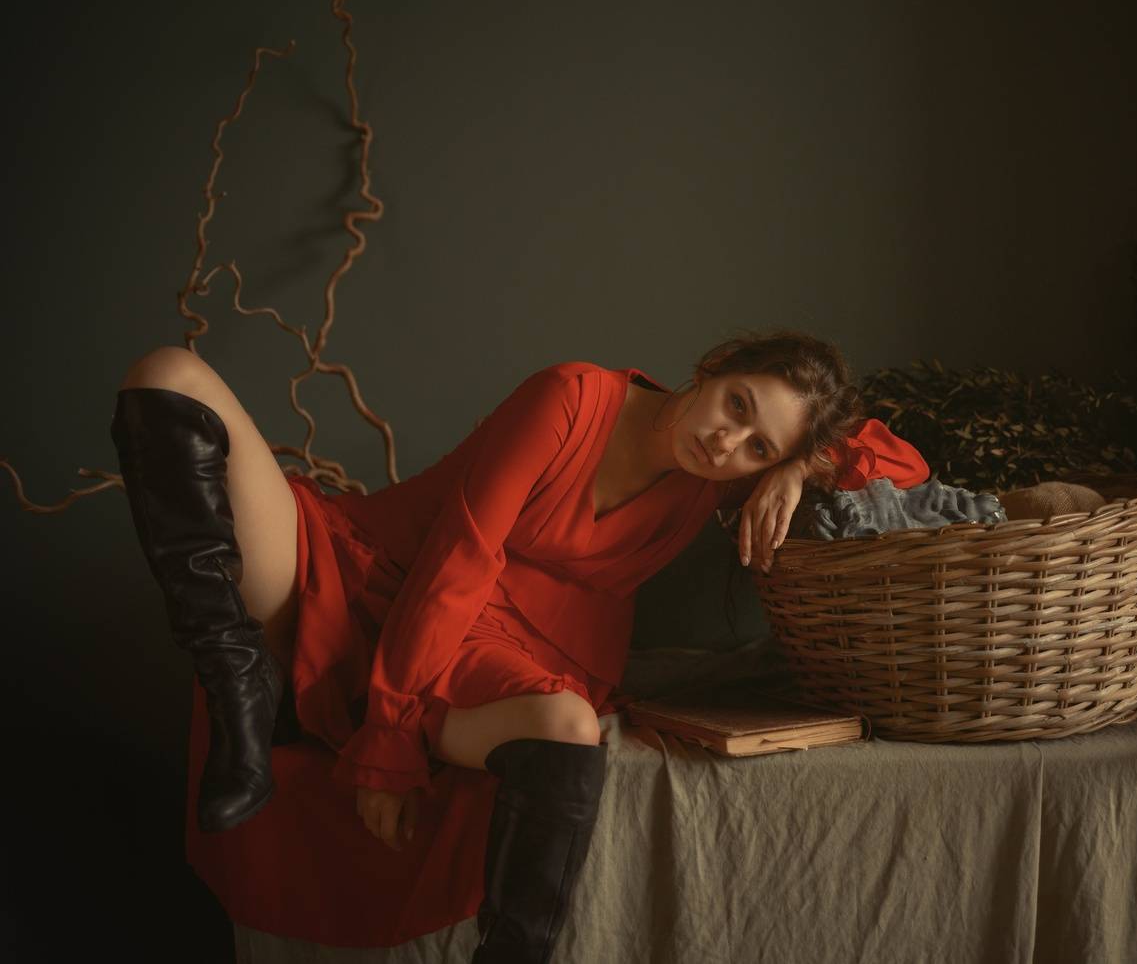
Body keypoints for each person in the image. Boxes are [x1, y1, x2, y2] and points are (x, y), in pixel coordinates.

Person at [109, 328, 929, 962]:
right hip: (366, 577)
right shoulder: (571, 396)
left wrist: (803, 467)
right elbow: (457, 560)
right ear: (714, 367)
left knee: (569, 726)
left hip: (486, 656)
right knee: (169, 371)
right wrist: (388, 740)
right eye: (738, 405)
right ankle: (241, 689)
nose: (727, 443)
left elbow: (910, 467)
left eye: (757, 447)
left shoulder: (717, 479)